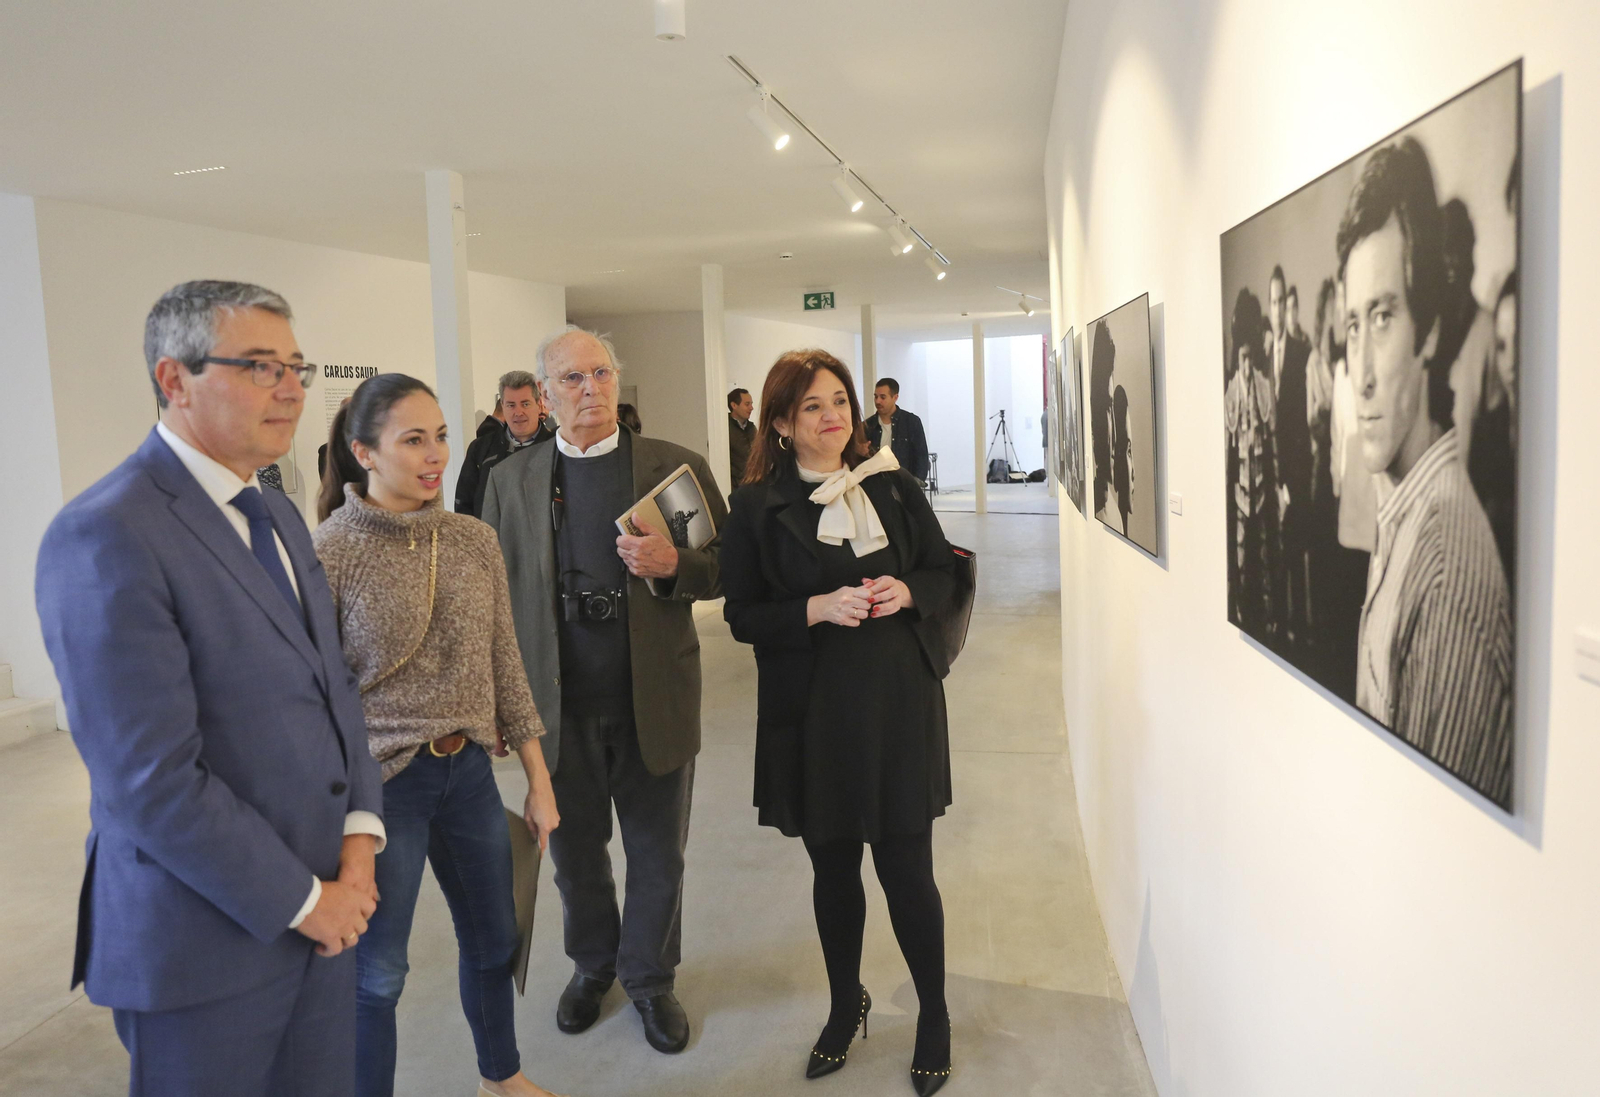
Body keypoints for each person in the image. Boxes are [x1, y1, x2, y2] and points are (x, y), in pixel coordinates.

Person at [34, 280, 383, 1097]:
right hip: (205, 942)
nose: (293, 388)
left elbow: (334, 688)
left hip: (330, 917)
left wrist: (360, 846)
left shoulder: (279, 513)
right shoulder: (108, 532)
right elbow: (150, 780)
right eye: (261, 366)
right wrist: (308, 900)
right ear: (174, 378)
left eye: (297, 366)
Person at [313, 374, 565, 1097]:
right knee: (378, 974)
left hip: (468, 778)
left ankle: (501, 1077)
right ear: (364, 450)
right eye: (413, 439)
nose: (435, 455)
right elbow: (317, 697)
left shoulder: (471, 539)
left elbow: (505, 662)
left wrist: (538, 779)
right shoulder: (331, 550)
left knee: (495, 940)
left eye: (442, 435)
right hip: (381, 790)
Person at [482, 326, 726, 1054]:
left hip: (652, 700)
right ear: (542, 395)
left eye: (600, 373)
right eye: (571, 379)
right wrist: (496, 701)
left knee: (659, 854)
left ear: (618, 381)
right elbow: (492, 601)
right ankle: (593, 965)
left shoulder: (672, 468)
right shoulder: (511, 482)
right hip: (557, 711)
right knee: (575, 855)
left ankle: (650, 979)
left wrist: (671, 562)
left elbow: (728, 569)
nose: (590, 389)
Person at [720, 349, 958, 1095]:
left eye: (840, 401)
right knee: (833, 869)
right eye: (813, 406)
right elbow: (741, 614)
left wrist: (908, 590)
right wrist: (814, 609)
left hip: (896, 701)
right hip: (812, 710)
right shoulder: (756, 506)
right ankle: (843, 1000)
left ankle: (934, 1012)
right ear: (782, 423)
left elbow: (946, 571)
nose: (833, 417)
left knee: (906, 869)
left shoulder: (892, 483)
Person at [1339, 137, 1512, 804]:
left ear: (1430, 329)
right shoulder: (1405, 509)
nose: (1362, 373)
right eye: (1353, 326)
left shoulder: (1441, 566)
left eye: (1383, 316)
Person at [1224, 288, 1280, 637]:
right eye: (1241, 358)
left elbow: (1267, 422)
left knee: (1266, 548)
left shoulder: (1261, 383)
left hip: (1261, 475)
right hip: (1241, 479)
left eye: (1249, 357)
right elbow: (1232, 429)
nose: (1245, 365)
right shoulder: (1232, 388)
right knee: (1244, 549)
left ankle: (1268, 614)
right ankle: (1244, 610)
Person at [1269, 265, 1315, 654]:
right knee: (1277, 557)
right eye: (1274, 300)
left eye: (1283, 300)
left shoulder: (1301, 353)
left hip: (1296, 475)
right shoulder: (1266, 354)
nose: (1279, 306)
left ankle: (1299, 634)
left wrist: (1291, 482)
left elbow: (1300, 423)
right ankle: (1279, 629)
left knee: (1297, 555)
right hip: (1271, 476)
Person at [456, 370, 550, 518]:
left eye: (525, 404)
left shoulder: (555, 448)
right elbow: (464, 506)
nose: (518, 412)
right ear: (502, 405)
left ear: (539, 405)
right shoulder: (480, 449)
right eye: (511, 405)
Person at [864, 378, 931, 483]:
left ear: (895, 397)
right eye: (876, 397)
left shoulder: (911, 422)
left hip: (904, 483)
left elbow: (921, 454)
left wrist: (917, 482)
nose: (877, 401)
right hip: (876, 484)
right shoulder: (868, 425)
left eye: (883, 397)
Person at [728, 387, 755, 484]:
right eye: (747, 404)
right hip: (735, 486)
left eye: (751, 404)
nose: (751, 408)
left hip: (754, 484)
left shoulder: (752, 428)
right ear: (734, 405)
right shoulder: (724, 429)